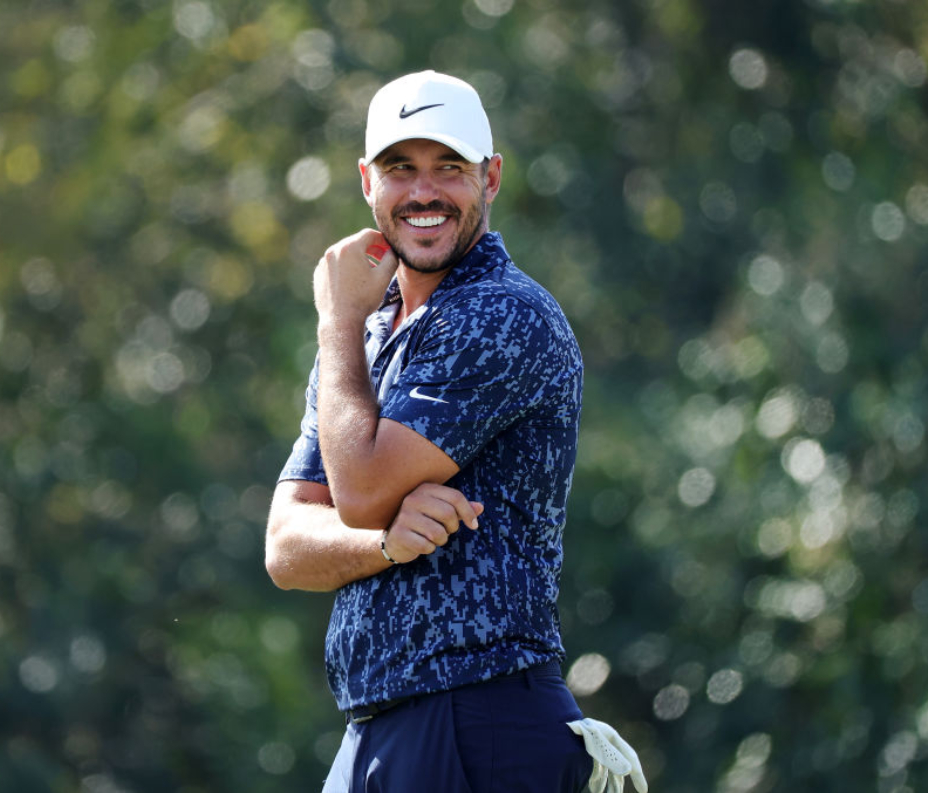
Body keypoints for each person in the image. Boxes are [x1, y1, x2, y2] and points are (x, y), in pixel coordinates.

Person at [264, 70, 646, 793]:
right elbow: (287, 545)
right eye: (400, 168)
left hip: (482, 720)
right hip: (380, 729)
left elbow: (363, 486)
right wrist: (381, 545)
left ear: (491, 176)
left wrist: (336, 321)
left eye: (449, 167)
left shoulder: (504, 313)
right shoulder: (369, 338)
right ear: (366, 182)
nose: (424, 192)